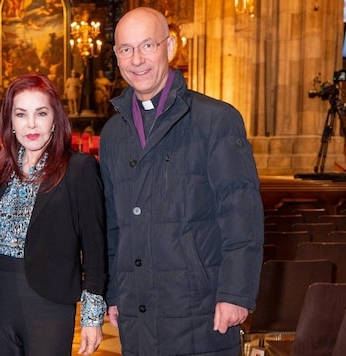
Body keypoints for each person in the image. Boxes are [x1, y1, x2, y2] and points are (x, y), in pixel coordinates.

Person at [99, 7, 264, 356]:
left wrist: (234, 294)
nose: (137, 59)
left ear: (170, 47)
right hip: (138, 308)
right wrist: (115, 291)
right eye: (126, 49)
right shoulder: (113, 133)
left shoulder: (216, 120)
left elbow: (241, 216)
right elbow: (113, 225)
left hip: (200, 309)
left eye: (148, 45)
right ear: (116, 56)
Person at [0, 73, 107, 356]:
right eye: (21, 114)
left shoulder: (79, 169)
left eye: (41, 113)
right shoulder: (0, 171)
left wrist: (91, 317)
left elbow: (95, 247)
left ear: (55, 118)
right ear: (10, 121)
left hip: (49, 304)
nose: (31, 124)